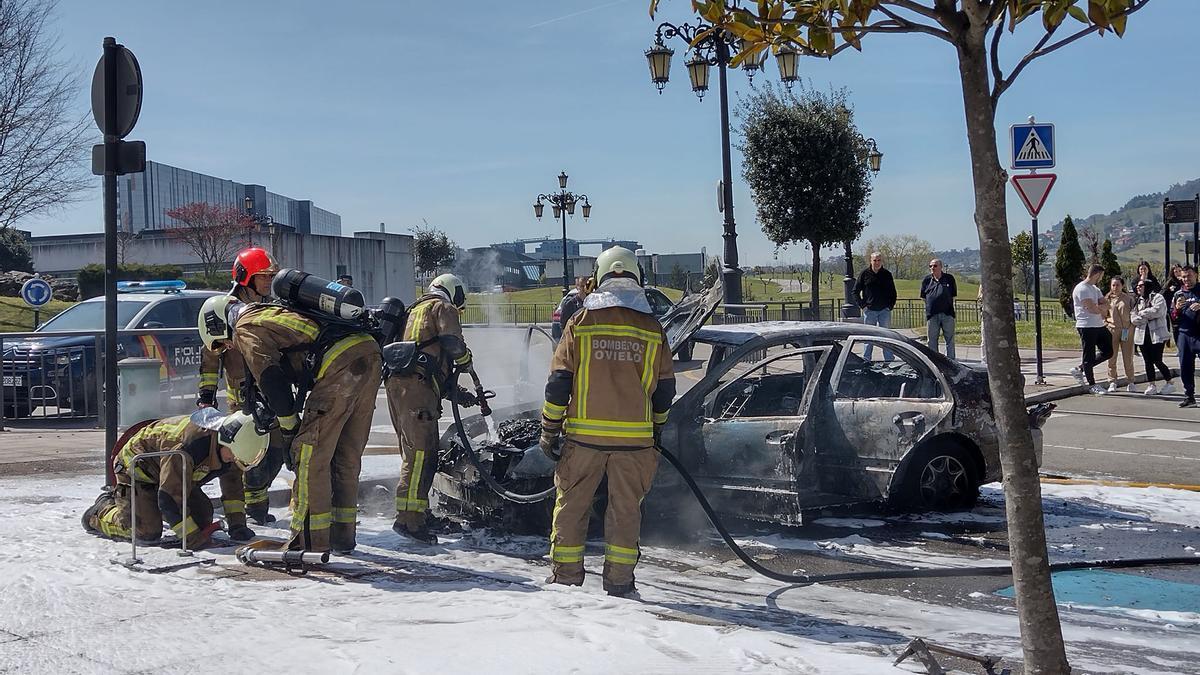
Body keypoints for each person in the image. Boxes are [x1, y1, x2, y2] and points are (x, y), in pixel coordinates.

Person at [539, 246, 676, 598]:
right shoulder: (651, 328)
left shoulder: (581, 323)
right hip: (635, 443)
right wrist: (656, 428)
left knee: (571, 506)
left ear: (600, 277)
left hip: (584, 440)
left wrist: (549, 430)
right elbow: (664, 391)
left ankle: (566, 581)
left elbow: (558, 383)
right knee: (626, 512)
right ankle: (619, 584)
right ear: (638, 278)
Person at [201, 292, 383, 553]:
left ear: (217, 323)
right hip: (368, 351)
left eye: (221, 344)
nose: (226, 349)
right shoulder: (268, 311)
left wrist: (289, 427)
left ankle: (309, 541)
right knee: (346, 454)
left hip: (338, 364)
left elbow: (271, 378)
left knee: (309, 454)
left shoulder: (244, 327)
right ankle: (343, 536)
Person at [82, 409, 267, 547]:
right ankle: (102, 512)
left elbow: (232, 486)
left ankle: (148, 508)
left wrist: (237, 525)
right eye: (233, 455)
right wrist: (191, 538)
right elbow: (169, 497)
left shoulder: (233, 446)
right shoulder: (187, 448)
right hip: (139, 472)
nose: (233, 460)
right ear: (225, 439)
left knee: (202, 519)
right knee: (147, 532)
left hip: (174, 475)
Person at [197, 246, 287, 525]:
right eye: (263, 276)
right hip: (243, 401)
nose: (269, 281)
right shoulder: (224, 310)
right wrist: (206, 396)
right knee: (250, 456)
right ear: (245, 277)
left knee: (277, 453)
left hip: (272, 396)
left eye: (271, 276)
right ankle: (254, 510)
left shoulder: (268, 308)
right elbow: (211, 357)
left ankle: (256, 502)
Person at [385, 273, 474, 544]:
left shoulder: (414, 310)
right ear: (453, 291)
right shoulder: (442, 307)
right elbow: (451, 343)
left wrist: (459, 395)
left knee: (414, 453)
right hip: (417, 389)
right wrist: (466, 360)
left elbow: (427, 361)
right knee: (421, 456)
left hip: (399, 386)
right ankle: (408, 521)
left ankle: (419, 513)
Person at [1070, 264, 1114, 395]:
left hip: (1098, 324)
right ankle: (1092, 384)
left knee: (1108, 351)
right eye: (1101, 275)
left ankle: (1080, 368)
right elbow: (1092, 308)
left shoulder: (1095, 289)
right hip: (1086, 326)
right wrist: (1100, 308)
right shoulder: (1082, 288)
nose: (1101, 278)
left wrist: (1100, 307)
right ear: (1097, 274)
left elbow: (1106, 304)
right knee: (1088, 355)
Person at [1131, 278, 1175, 396]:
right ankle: (1152, 385)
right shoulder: (1138, 300)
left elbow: (1157, 311)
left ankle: (1169, 382)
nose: (1138, 288)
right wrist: (1144, 315)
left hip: (1156, 335)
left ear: (1147, 286)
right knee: (1147, 361)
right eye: (1137, 286)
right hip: (1142, 335)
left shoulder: (1158, 298)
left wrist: (1142, 313)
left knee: (1157, 360)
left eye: (1141, 285)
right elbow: (1133, 318)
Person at [853, 252, 897, 360]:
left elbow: (893, 292)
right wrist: (863, 306)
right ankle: (866, 360)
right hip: (870, 310)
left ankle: (889, 360)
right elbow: (855, 291)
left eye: (879, 260)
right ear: (870, 261)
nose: (877, 262)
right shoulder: (864, 274)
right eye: (874, 260)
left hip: (884, 311)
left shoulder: (887, 274)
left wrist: (889, 306)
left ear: (881, 261)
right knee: (868, 337)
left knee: (886, 336)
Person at [1171, 265, 1200, 408]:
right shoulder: (1178, 294)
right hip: (1184, 334)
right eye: (1183, 277)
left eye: (1189, 276)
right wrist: (1176, 308)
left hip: (1199, 334)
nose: (1186, 279)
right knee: (1185, 367)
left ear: (1196, 275)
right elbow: (1173, 316)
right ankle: (1189, 396)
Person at [1104, 276, 1137, 393]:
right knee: (1111, 357)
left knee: (1128, 357)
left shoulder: (1129, 299)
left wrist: (1131, 326)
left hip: (1126, 330)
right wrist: (1106, 324)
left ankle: (1131, 381)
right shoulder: (1107, 299)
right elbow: (1103, 314)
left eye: (1117, 285)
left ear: (1122, 286)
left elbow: (1134, 313)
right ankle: (1112, 381)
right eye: (1113, 285)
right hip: (1112, 329)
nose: (1115, 287)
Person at [920, 259, 957, 359]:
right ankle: (934, 362)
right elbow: (923, 297)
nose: (932, 268)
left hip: (947, 314)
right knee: (931, 341)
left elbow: (953, 295)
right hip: (932, 315)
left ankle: (951, 362)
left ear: (941, 267)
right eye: (930, 266)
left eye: (935, 266)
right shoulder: (927, 280)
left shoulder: (949, 278)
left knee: (949, 340)